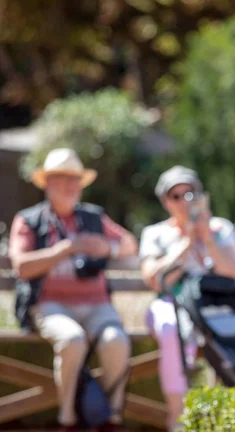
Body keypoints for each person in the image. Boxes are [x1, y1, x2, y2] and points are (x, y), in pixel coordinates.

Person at [8, 148, 138, 431]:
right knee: (72, 339)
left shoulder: (93, 217)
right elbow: (22, 266)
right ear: (48, 183)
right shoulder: (29, 220)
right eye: (64, 179)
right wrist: (65, 249)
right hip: (49, 306)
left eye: (75, 179)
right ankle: (68, 419)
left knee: (116, 341)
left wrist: (109, 247)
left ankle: (111, 420)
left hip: (96, 305)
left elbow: (129, 243)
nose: (71, 186)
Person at [139, 166, 235, 432]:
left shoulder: (220, 228)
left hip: (212, 303)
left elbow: (233, 274)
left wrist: (206, 239)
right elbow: (155, 280)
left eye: (190, 193)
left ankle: (221, 416)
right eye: (176, 195)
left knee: (228, 327)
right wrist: (186, 243)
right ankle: (178, 417)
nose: (184, 200)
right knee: (170, 328)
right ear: (165, 202)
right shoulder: (155, 233)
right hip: (170, 303)